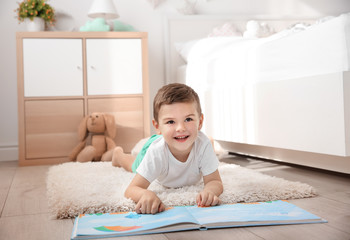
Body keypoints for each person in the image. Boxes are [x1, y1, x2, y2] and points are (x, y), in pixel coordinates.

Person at [112, 83, 223, 214]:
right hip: (156, 144)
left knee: (206, 142)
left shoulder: (203, 145)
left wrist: (209, 191)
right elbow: (131, 189)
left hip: (178, 139)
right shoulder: (156, 152)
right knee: (134, 166)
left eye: (188, 119)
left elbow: (215, 181)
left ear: (200, 121)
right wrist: (145, 194)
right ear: (157, 126)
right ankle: (118, 154)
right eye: (171, 122)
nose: (180, 128)